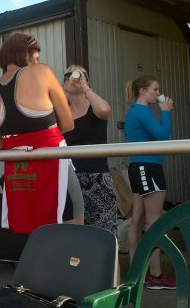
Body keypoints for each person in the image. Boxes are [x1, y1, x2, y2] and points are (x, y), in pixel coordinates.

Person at [0, 32, 83, 234]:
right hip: (53, 161)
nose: (37, 61)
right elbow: (68, 123)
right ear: (26, 53)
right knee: (74, 222)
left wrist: (18, 142)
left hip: (18, 172)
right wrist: (37, 136)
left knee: (33, 229)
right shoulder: (41, 72)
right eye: (35, 57)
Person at [124, 75, 177, 290]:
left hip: (140, 166)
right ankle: (155, 275)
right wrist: (165, 111)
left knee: (137, 219)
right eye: (155, 89)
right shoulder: (142, 110)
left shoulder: (135, 111)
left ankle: (136, 273)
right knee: (154, 221)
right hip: (148, 166)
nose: (158, 93)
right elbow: (162, 136)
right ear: (142, 91)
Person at [61, 64, 117, 232]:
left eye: (81, 74)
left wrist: (85, 87)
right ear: (64, 84)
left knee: (104, 232)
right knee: (76, 233)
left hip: (98, 176)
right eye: (68, 75)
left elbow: (104, 110)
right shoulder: (62, 114)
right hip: (71, 178)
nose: (74, 77)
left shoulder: (94, 107)